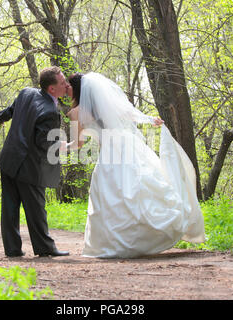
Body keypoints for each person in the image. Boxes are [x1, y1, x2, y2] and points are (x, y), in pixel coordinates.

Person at [67, 72, 205, 258]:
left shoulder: (75, 113)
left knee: (114, 194)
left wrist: (61, 147)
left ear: (76, 90)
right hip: (128, 145)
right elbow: (128, 113)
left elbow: (78, 144)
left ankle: (116, 242)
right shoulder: (103, 105)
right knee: (137, 188)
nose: (66, 91)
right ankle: (143, 234)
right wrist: (149, 119)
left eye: (68, 87)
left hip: (110, 153)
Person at [0, 66, 70, 257]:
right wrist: (63, 145)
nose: (66, 85)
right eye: (62, 82)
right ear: (52, 89)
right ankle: (45, 247)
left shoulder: (26, 93)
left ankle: (13, 250)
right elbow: (43, 142)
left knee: (10, 207)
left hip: (9, 159)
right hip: (29, 166)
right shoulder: (50, 111)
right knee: (36, 208)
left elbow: (8, 112)